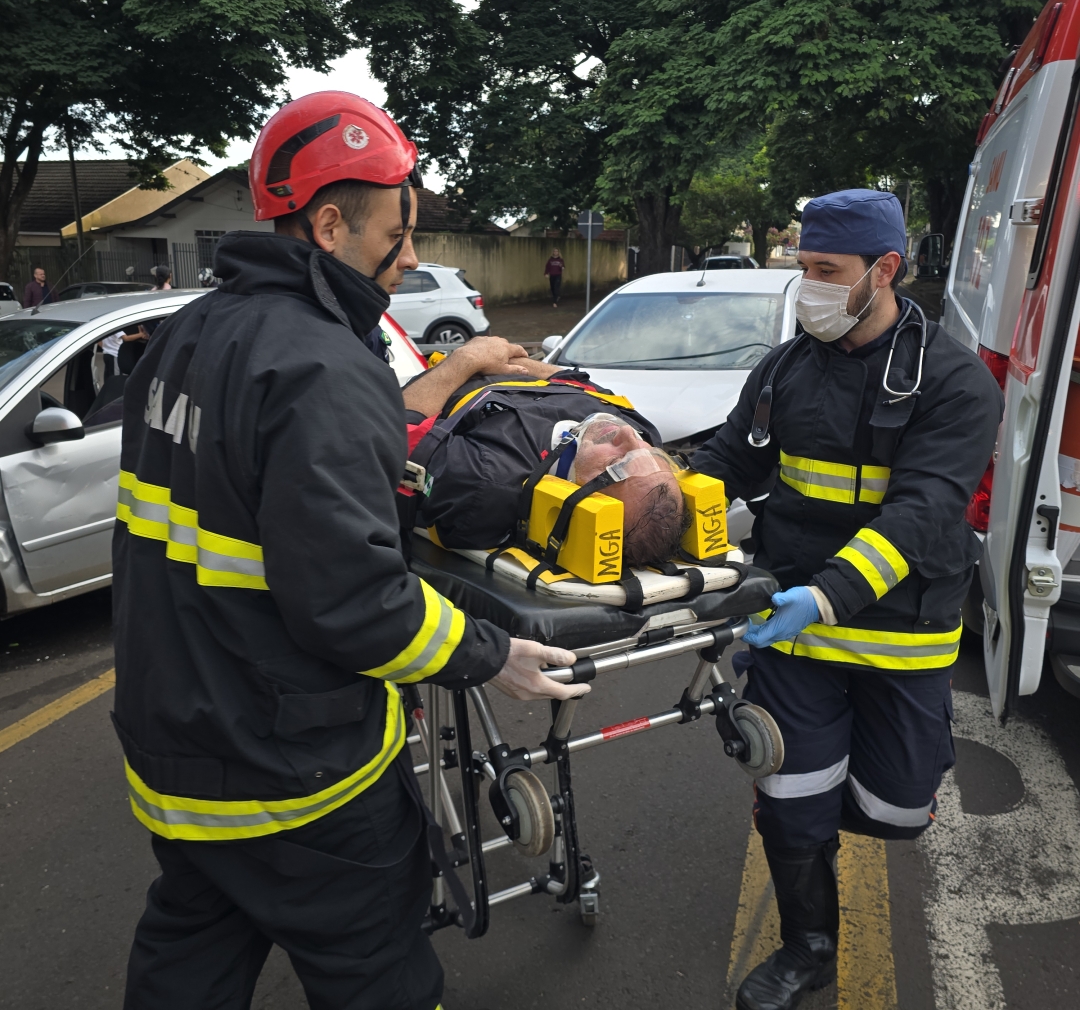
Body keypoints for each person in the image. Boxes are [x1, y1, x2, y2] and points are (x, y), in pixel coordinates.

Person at [112, 91, 589, 1010]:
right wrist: (492, 657)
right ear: (329, 225)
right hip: (298, 778)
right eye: (397, 233)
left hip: (175, 750)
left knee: (190, 961)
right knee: (379, 979)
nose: (410, 257)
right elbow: (352, 600)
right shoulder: (327, 365)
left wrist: (449, 376)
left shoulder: (185, 338)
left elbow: (270, 478)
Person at [691, 189, 1003, 1010]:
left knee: (895, 805)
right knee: (794, 806)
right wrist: (642, 491)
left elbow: (926, 511)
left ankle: (843, 839)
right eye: (804, 268)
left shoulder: (954, 382)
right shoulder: (787, 367)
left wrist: (825, 594)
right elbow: (728, 461)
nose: (811, 287)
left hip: (901, 638)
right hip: (796, 639)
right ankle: (810, 946)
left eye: (828, 270)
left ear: (886, 269)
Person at [400, 351, 687, 566]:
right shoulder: (644, 431)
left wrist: (467, 360)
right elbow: (573, 382)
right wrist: (505, 358)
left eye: (616, 464)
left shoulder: (484, 483)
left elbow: (394, 429)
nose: (627, 433)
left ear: (575, 503)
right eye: (653, 455)